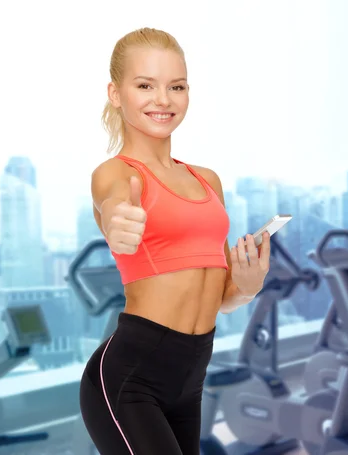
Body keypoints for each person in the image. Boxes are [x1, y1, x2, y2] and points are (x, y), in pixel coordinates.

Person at [79, 27, 272, 455]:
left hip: (191, 378)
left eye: (176, 86)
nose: (162, 99)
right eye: (145, 85)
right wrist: (117, 222)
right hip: (130, 378)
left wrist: (246, 285)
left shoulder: (208, 181)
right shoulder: (116, 175)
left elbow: (219, 295)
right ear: (116, 93)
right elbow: (111, 203)